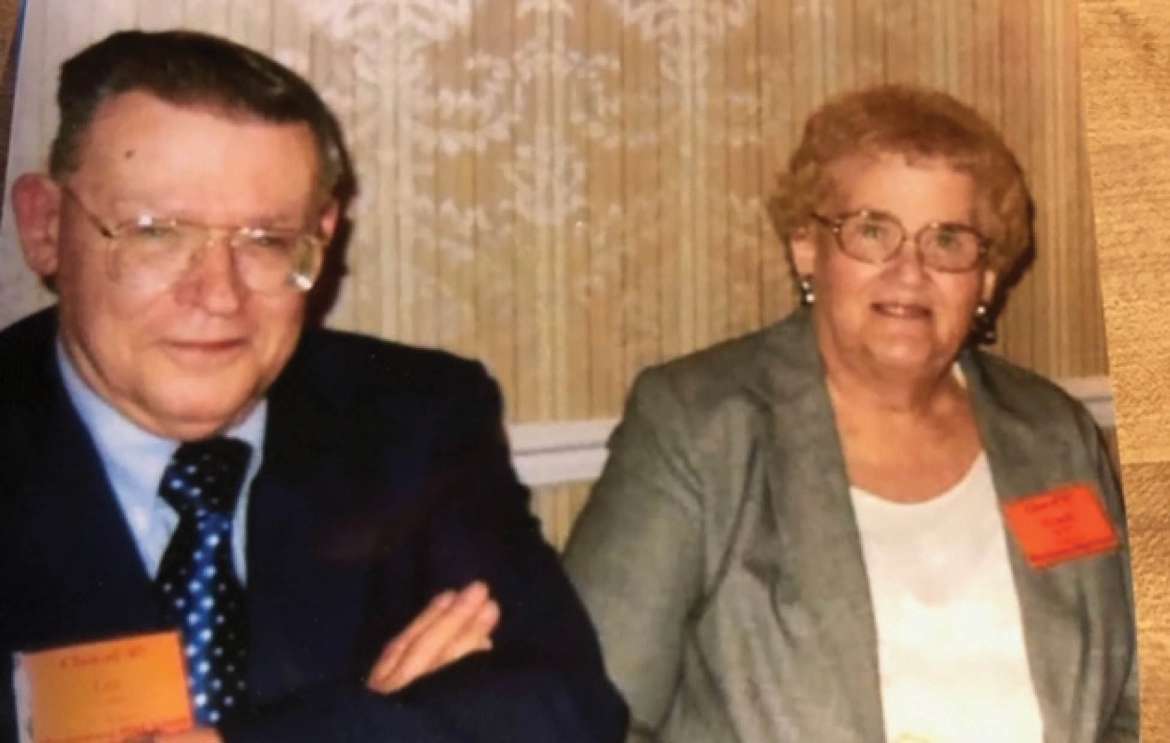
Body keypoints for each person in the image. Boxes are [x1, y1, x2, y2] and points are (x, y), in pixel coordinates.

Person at [0, 29, 626, 742]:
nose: (219, 295)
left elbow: (565, 710)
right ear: (45, 226)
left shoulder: (412, 416)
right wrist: (375, 717)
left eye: (266, 241)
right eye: (156, 233)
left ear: (322, 238)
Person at [563, 85, 1137, 742]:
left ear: (985, 278)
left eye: (948, 239)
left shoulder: (1053, 434)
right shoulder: (700, 426)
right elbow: (585, 710)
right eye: (872, 231)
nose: (909, 271)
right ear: (807, 246)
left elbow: (1136, 695)